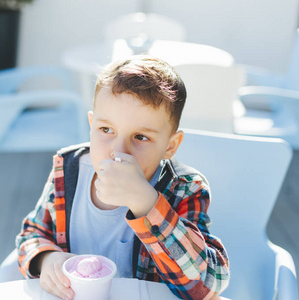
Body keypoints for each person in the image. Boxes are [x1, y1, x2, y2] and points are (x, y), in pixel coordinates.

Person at [15, 55, 230, 300]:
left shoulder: (184, 189)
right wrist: (46, 258)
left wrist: (147, 205)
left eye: (141, 137)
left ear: (170, 145)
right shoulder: (68, 170)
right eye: (106, 130)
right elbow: (32, 234)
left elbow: (208, 285)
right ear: (91, 124)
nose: (118, 151)